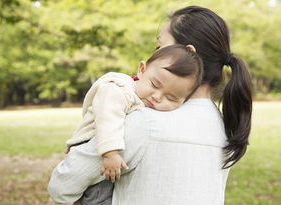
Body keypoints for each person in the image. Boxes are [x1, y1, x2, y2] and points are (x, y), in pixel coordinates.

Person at [48, 6, 252, 205]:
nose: (155, 54)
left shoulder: (144, 122)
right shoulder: (222, 124)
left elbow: (62, 186)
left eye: (159, 47)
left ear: (188, 52)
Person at [59, 44, 203, 204]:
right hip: (102, 147)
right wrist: (111, 153)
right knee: (99, 198)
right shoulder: (119, 90)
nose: (157, 97)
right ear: (141, 69)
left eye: (171, 98)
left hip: (103, 149)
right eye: (154, 85)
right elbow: (108, 118)